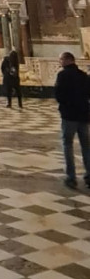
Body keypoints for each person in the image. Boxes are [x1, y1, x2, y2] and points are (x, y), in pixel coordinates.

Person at [54, 51, 90, 189]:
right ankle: (89, 176)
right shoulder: (83, 75)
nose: (59, 62)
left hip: (69, 116)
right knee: (86, 146)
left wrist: (65, 105)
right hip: (83, 115)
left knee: (67, 145)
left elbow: (58, 95)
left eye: (60, 60)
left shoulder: (62, 75)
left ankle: (71, 177)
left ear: (66, 60)